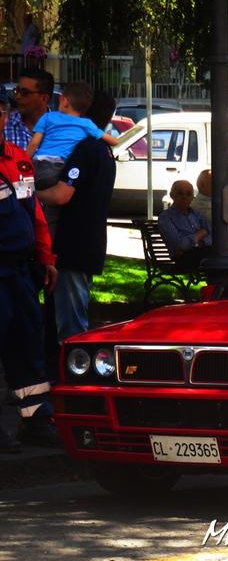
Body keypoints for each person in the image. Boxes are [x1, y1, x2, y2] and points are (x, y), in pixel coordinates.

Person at [0, 88, 60, 450]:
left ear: (6, 117)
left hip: (20, 274)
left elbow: (34, 216)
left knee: (26, 346)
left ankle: (35, 421)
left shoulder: (20, 160)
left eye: (0, 112)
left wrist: (46, 259)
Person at [36, 91, 117, 347]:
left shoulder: (85, 149)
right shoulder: (104, 150)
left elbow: (61, 196)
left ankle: (73, 374)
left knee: (71, 326)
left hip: (73, 245)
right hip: (89, 242)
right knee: (72, 313)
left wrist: (29, 193)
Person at [26, 81, 118, 192]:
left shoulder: (47, 117)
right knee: (54, 200)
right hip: (59, 169)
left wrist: (23, 162)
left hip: (38, 165)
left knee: (26, 194)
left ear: (64, 101)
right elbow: (113, 141)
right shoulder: (87, 124)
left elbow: (34, 144)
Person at [193, 169, 228, 257]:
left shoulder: (223, 200)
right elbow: (222, 225)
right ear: (202, 185)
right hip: (223, 254)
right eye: (215, 182)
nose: (219, 186)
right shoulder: (197, 205)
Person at [158, 180, 213, 271]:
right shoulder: (166, 218)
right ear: (172, 195)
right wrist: (200, 234)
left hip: (202, 253)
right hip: (184, 259)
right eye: (180, 193)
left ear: (192, 197)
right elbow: (178, 245)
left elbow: (212, 235)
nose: (184, 197)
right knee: (220, 256)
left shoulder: (197, 215)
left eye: (188, 194)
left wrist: (200, 243)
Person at [3, 68, 53, 150]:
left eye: (25, 93)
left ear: (44, 98)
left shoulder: (61, 128)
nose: (18, 97)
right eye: (17, 91)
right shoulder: (4, 126)